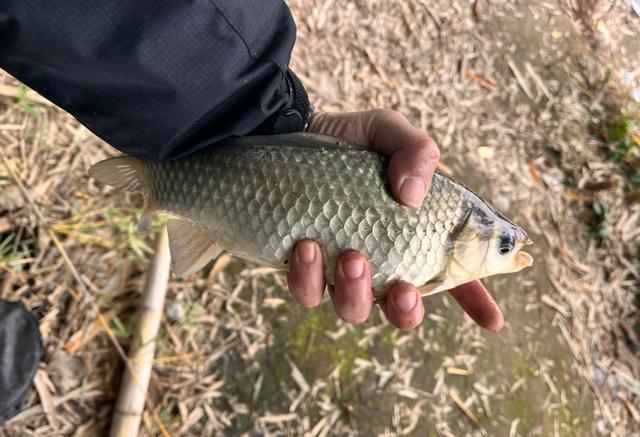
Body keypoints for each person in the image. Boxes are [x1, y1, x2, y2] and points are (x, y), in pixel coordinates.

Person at [0, 0, 503, 331]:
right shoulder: (441, 238)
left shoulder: (442, 252)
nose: (505, 252)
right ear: (467, 235)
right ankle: (162, 185)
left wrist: (258, 114)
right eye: (500, 243)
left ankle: (170, 189)